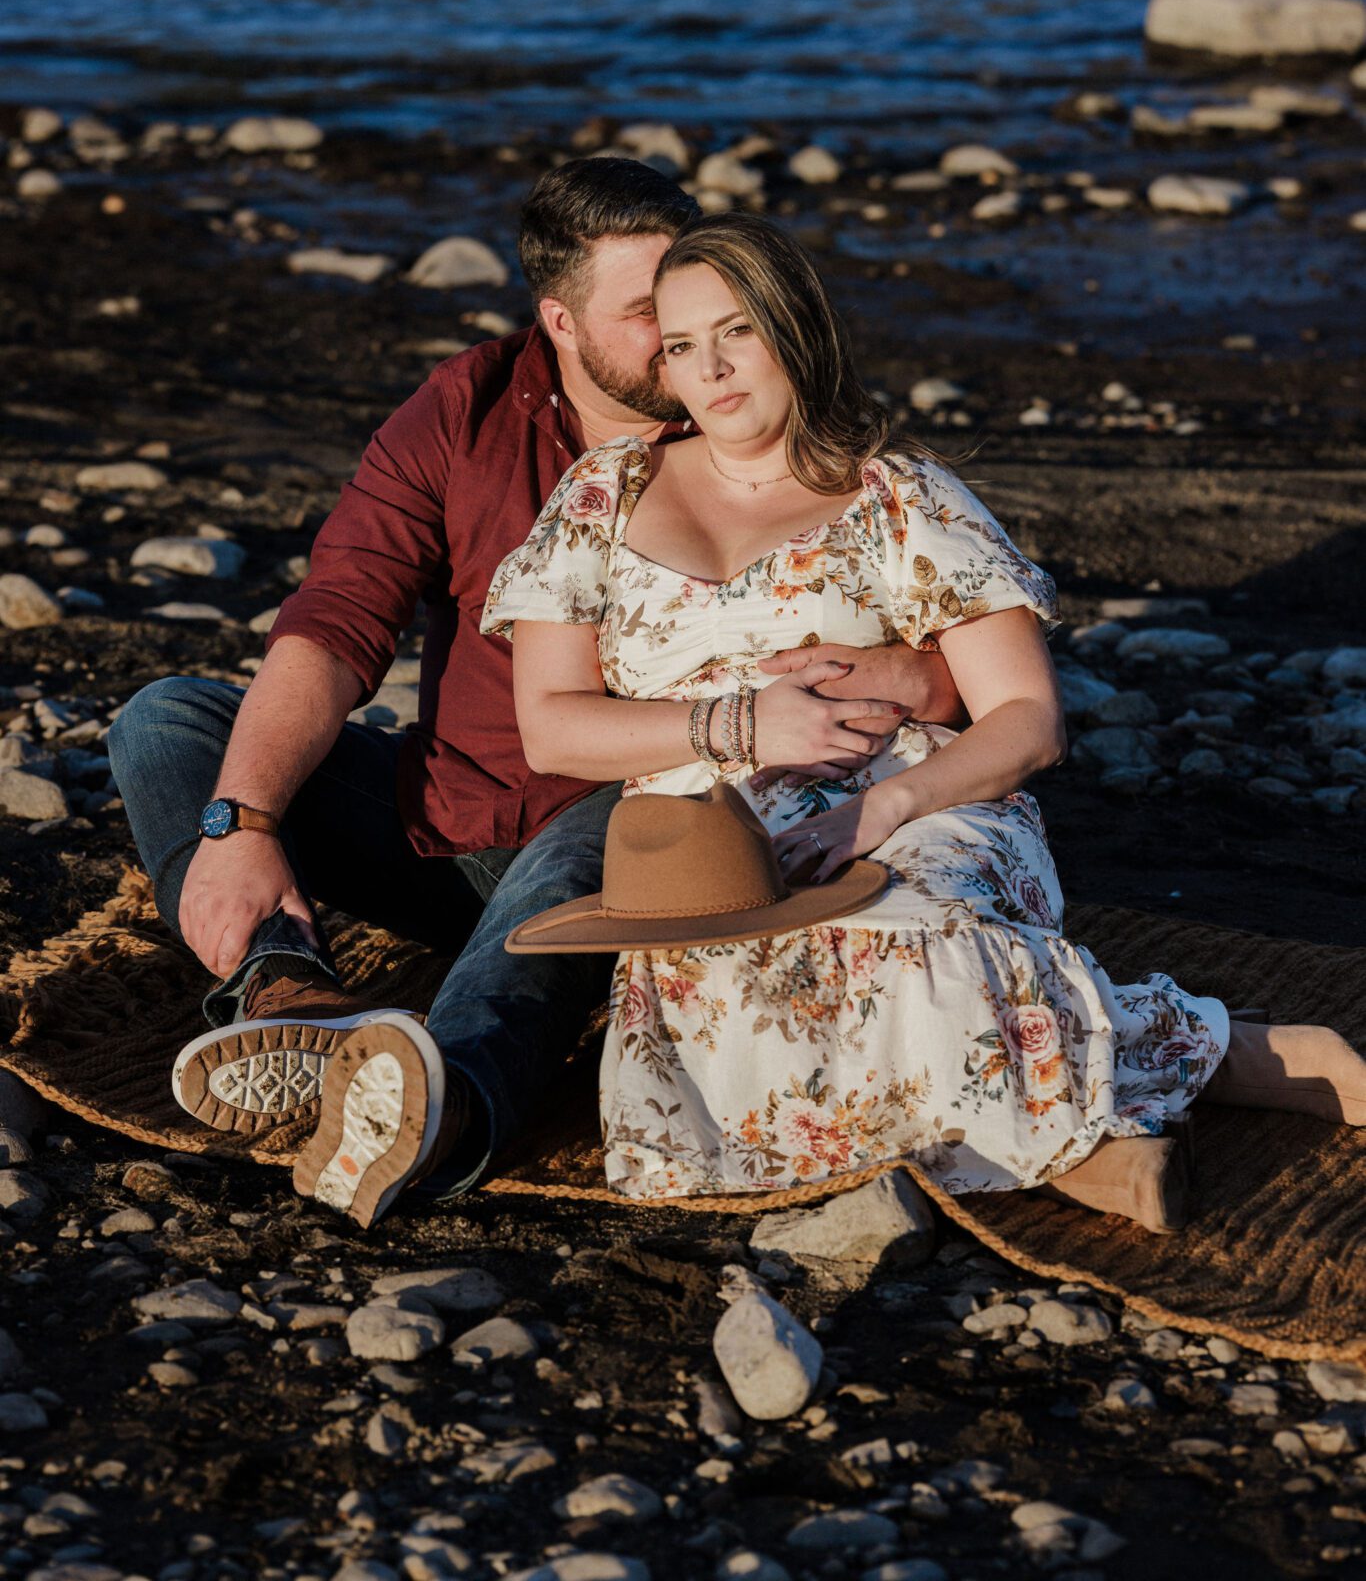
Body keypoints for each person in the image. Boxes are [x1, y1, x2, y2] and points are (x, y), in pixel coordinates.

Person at [309, 213, 1366, 1233]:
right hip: (709, 834)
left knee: (909, 946)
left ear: (794, 331)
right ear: (663, 371)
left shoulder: (900, 496)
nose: (713, 367)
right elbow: (554, 729)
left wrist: (882, 807)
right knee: (736, 1004)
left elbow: (1027, 719)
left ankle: (1207, 1083)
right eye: (682, 345)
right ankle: (1113, 1118)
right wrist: (739, 724)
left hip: (916, 798)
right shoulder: (600, 498)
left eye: (737, 331)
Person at [109, 161, 962, 1211]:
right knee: (170, 723)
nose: (688, 340)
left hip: (658, 839)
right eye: (651, 313)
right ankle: (288, 989)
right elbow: (336, 619)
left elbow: (953, 634)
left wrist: (908, 671)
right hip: (450, 822)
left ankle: (441, 1101)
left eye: (702, 300)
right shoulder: (464, 410)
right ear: (560, 319)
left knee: (603, 828)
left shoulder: (750, 415)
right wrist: (242, 821)